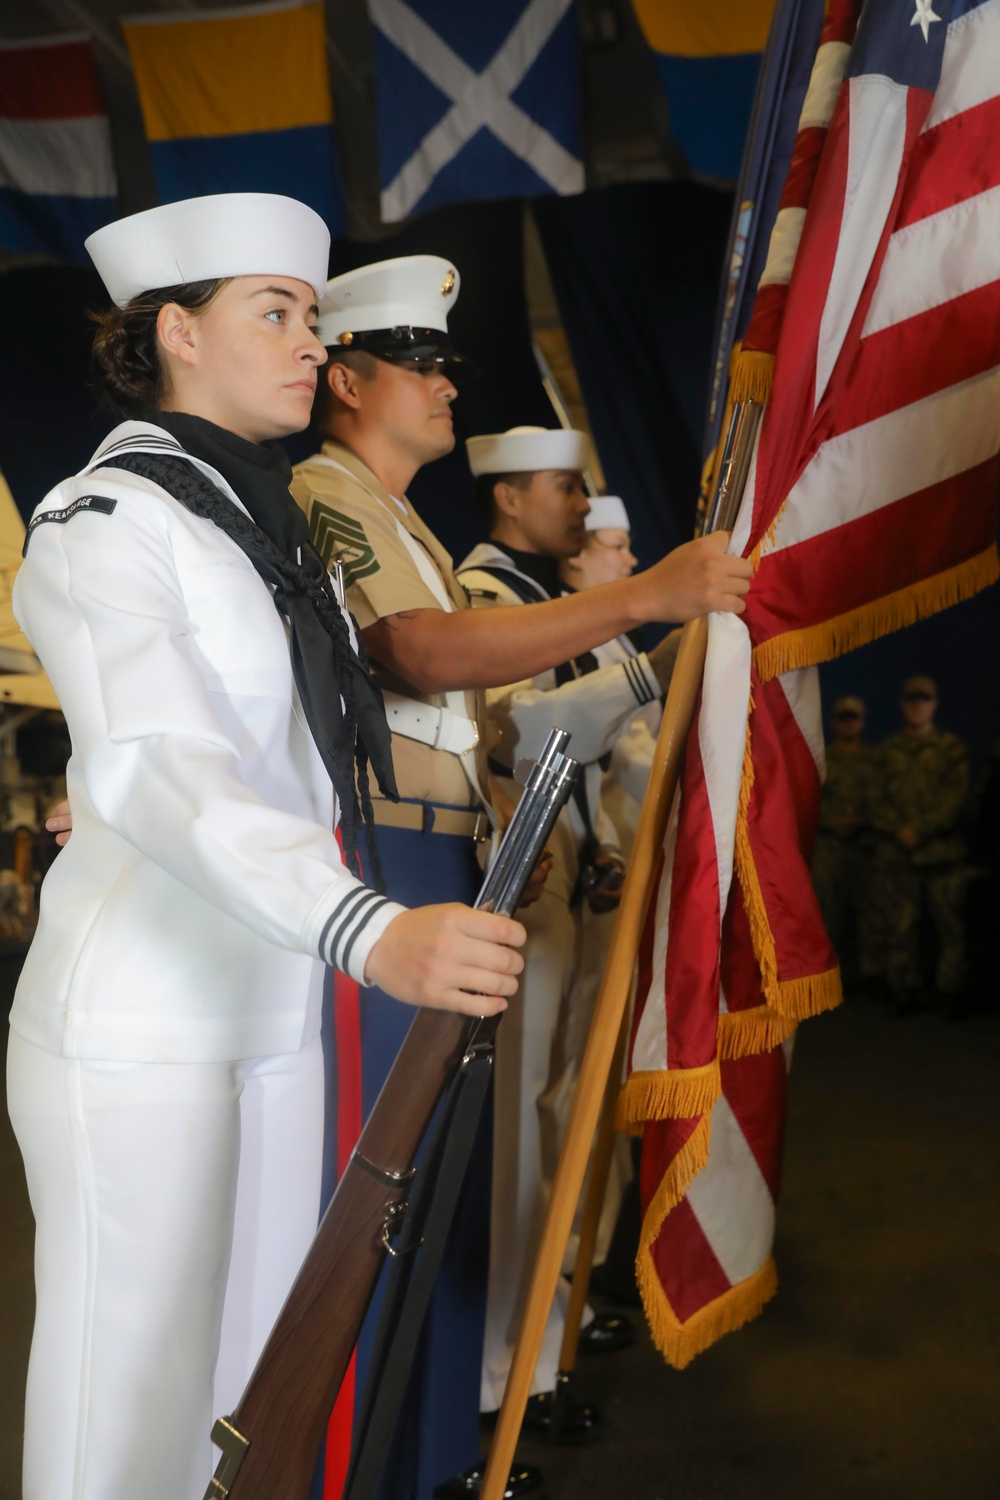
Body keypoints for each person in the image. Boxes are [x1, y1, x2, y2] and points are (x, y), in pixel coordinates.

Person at [6, 195, 525, 1500]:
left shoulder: (261, 525)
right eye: (278, 312)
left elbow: (282, 749)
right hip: (142, 1020)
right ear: (176, 333)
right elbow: (156, 762)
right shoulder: (105, 519)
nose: (313, 340)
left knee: (249, 1403)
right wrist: (369, 925)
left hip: (274, 1004)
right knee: (124, 1409)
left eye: (313, 314)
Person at [291, 267, 752, 1498]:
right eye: (420, 364)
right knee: (397, 1181)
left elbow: (485, 727)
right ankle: (388, 1458)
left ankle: (443, 1448)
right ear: (349, 383)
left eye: (445, 364)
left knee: (459, 1180)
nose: (446, 383)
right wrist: (643, 598)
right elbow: (416, 653)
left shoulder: (407, 525)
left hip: (458, 850)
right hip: (392, 862)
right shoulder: (326, 492)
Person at [456, 439, 681, 1430]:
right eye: (567, 488)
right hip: (523, 883)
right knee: (523, 1135)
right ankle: (503, 1372)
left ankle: (541, 1337)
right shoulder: (487, 599)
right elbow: (519, 740)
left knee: (559, 1122)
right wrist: (645, 671)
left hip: (572, 876)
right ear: (509, 498)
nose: (585, 508)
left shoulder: (543, 604)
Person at [870, 676, 970, 1014]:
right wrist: (899, 829)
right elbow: (875, 798)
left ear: (934, 704)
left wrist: (921, 830)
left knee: (950, 927)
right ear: (903, 704)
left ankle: (949, 990)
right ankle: (903, 988)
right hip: (900, 854)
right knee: (900, 925)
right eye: (912, 699)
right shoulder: (887, 751)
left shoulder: (951, 748)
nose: (918, 705)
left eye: (924, 699)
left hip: (942, 854)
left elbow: (956, 798)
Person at [810, 696, 882, 992]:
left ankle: (873, 977)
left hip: (866, 845)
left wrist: (861, 819)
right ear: (834, 722)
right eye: (843, 717)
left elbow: (887, 798)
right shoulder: (821, 759)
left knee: (872, 914)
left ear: (862, 722)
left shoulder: (876, 760)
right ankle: (823, 978)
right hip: (830, 848)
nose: (849, 723)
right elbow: (810, 799)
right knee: (825, 914)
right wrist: (832, 820)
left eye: (854, 717)